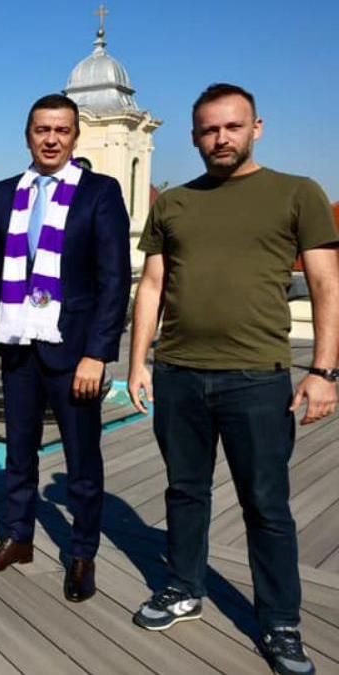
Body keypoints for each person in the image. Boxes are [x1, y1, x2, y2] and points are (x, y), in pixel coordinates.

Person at [128, 83, 338, 675]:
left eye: (232, 126)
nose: (220, 138)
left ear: (256, 128)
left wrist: (324, 371)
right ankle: (183, 587)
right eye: (209, 130)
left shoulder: (297, 193)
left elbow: (327, 284)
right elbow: (152, 285)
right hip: (178, 374)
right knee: (184, 491)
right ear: (195, 136)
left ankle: (280, 622)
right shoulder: (174, 203)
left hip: (257, 379)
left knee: (266, 504)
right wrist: (137, 361)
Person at [0, 94, 130, 603]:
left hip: (74, 352)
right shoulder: (6, 193)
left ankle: (82, 554)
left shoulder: (99, 192)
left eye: (62, 130)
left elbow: (114, 280)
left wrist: (98, 354)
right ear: (28, 136)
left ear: (75, 136)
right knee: (18, 452)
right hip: (18, 345)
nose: (52, 139)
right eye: (42, 129)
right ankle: (19, 537)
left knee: (82, 459)